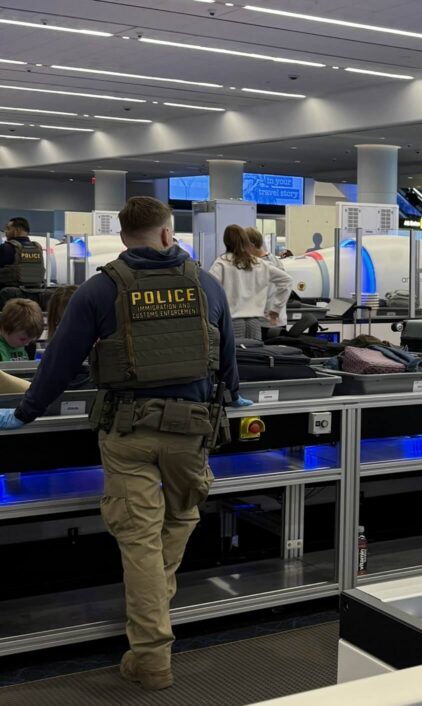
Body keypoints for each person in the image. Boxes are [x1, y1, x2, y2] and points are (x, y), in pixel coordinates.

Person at [0, 196, 252, 691]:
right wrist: (236, 394)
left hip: (128, 432)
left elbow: (59, 363)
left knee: (139, 539)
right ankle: (153, 615)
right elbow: (226, 356)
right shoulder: (206, 284)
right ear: (167, 233)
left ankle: (152, 657)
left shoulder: (100, 289)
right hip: (192, 431)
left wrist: (25, 413)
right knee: (180, 519)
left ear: (121, 238)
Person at [210, 224, 292, 339]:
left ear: (226, 242)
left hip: (232, 322)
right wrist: (276, 309)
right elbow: (287, 280)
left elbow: (210, 290)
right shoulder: (259, 263)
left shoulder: (221, 263)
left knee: (236, 350)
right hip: (255, 323)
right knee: (254, 350)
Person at [0, 217, 46, 306]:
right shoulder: (37, 248)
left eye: (8, 229)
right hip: (35, 299)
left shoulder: (5, 248)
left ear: (16, 230)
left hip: (9, 299)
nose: (5, 232)